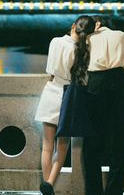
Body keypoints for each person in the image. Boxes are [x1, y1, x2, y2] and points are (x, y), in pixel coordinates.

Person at [35, 15, 95, 195]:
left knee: (47, 146)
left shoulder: (55, 41)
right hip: (68, 96)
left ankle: (47, 186)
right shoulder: (82, 50)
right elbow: (83, 78)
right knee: (62, 147)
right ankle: (51, 183)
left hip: (50, 91)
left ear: (72, 26)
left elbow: (49, 70)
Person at [83, 16, 124, 195]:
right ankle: (114, 191)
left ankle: (93, 191)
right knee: (119, 139)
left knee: (92, 138)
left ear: (97, 25)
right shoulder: (122, 35)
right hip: (118, 80)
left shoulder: (89, 38)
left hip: (96, 81)